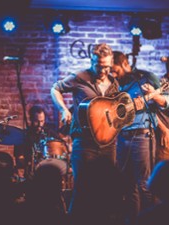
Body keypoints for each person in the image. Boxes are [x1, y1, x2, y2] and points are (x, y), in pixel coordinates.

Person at [50, 43, 121, 224]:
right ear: (92, 60)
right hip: (84, 142)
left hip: (108, 144)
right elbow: (55, 89)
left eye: (106, 66)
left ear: (111, 62)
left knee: (106, 191)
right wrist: (64, 110)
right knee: (83, 190)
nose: (103, 70)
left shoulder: (114, 84)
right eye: (99, 65)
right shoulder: (80, 77)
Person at [111, 51, 169, 225]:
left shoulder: (146, 77)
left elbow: (168, 100)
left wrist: (155, 95)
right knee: (128, 186)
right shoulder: (115, 84)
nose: (111, 73)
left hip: (142, 136)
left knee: (145, 184)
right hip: (122, 137)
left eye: (114, 70)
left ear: (124, 64)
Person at [14, 105, 67, 180]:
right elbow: (19, 158)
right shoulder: (23, 136)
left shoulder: (49, 132)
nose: (40, 125)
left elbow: (61, 146)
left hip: (50, 170)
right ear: (31, 120)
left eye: (42, 121)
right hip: (32, 173)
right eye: (37, 121)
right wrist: (27, 162)